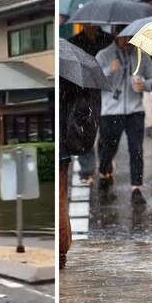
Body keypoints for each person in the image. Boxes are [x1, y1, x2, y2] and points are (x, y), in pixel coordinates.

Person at [96, 28, 152, 207]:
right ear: (116, 34)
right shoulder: (104, 54)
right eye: (124, 36)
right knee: (108, 147)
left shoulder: (141, 56)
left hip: (135, 110)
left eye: (130, 36)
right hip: (111, 110)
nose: (127, 40)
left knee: (136, 149)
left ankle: (136, 188)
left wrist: (145, 85)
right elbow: (95, 80)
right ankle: (104, 170)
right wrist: (109, 70)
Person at [59, 77, 101, 269]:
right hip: (61, 149)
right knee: (60, 201)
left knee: (59, 202)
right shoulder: (67, 78)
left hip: (60, 148)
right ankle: (60, 252)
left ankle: (59, 252)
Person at [68, 24, 114, 184]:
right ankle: (87, 169)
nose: (91, 27)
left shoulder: (108, 41)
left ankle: (105, 164)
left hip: (106, 92)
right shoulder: (74, 42)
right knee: (86, 129)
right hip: (84, 92)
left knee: (106, 131)